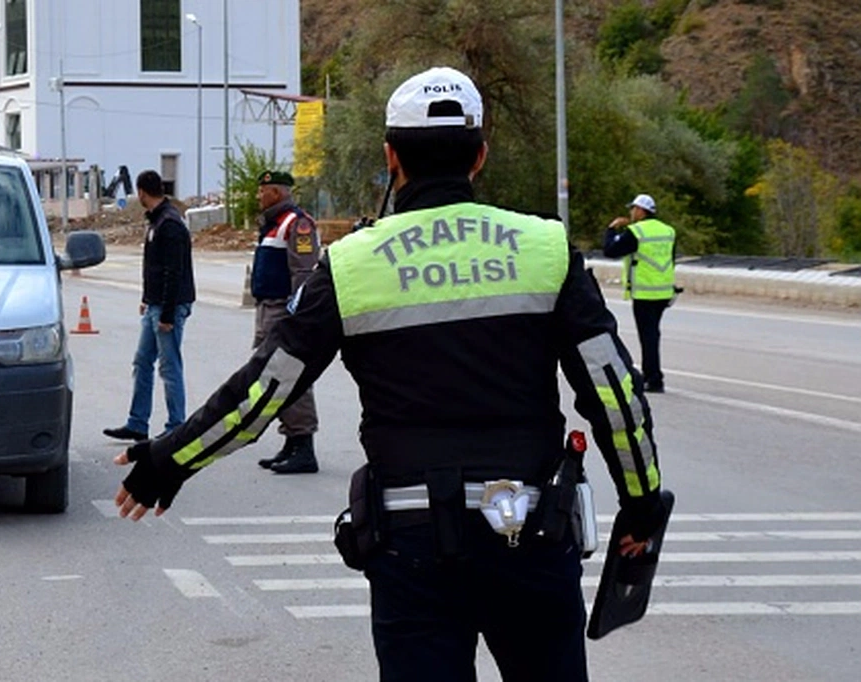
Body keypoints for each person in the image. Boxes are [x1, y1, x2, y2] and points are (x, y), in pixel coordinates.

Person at [111, 66, 667, 681]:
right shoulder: (545, 248)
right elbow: (614, 393)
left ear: (390, 156)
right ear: (479, 156)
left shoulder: (351, 264)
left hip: (413, 545)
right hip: (529, 533)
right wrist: (640, 502)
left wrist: (169, 460)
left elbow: (263, 392)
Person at [103, 170, 196, 442]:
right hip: (155, 304)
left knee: (169, 367)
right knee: (143, 361)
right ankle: (137, 423)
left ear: (142, 192)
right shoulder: (157, 221)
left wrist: (166, 313)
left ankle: (176, 427)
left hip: (169, 307)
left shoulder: (169, 224)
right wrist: (147, 297)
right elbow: (155, 268)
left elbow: (173, 272)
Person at [250, 170, 321, 474]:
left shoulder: (297, 224)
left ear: (276, 193)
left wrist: (297, 315)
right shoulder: (273, 224)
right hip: (267, 310)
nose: (258, 196)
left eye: (262, 191)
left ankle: (303, 445)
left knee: (291, 376)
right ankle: (291, 440)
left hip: (283, 311)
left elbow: (303, 275)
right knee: (271, 377)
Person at [603, 193, 677, 393]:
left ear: (640, 210)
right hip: (664, 291)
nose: (631, 212)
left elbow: (610, 250)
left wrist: (611, 229)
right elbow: (671, 258)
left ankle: (654, 379)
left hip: (645, 292)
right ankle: (652, 375)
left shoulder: (636, 232)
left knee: (648, 336)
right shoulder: (668, 231)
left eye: (633, 209)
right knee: (652, 333)